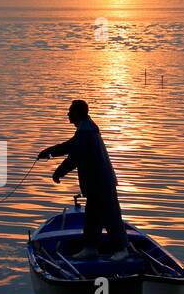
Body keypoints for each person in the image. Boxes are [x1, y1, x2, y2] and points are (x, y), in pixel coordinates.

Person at [37, 99, 128, 261]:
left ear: (77, 113)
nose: (68, 114)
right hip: (95, 184)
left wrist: (58, 173)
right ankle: (90, 248)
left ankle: (121, 249)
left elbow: (75, 157)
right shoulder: (85, 130)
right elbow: (68, 146)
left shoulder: (86, 132)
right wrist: (49, 153)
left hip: (102, 182)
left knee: (111, 216)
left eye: (70, 111)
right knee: (92, 217)